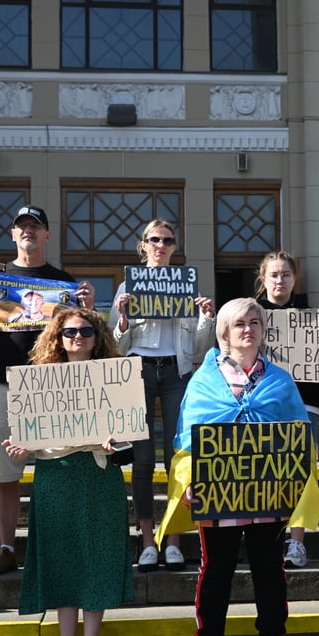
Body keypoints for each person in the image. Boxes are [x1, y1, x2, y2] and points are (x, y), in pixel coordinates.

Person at [170, 298, 314, 636]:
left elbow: (299, 434)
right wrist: (188, 482)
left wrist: (296, 483)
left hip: (270, 495)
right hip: (218, 495)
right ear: (224, 333)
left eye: (255, 322)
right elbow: (187, 440)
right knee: (216, 570)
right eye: (239, 324)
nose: (248, 329)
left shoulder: (281, 381)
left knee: (269, 570)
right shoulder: (202, 382)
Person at [0, 205, 95, 576]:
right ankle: (6, 547)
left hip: (50, 382)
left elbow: (83, 332)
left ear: (47, 235)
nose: (28, 232)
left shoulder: (61, 280)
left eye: (36, 226)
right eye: (22, 226)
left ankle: (56, 545)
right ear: (12, 234)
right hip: (3, 380)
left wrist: (87, 306)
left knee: (58, 463)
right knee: (6, 471)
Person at [3, 307, 135, 636]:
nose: (78, 337)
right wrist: (23, 446)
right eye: (70, 332)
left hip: (98, 475)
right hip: (54, 476)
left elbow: (130, 444)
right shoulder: (37, 381)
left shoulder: (116, 376)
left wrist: (118, 443)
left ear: (99, 336)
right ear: (57, 338)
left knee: (96, 559)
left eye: (87, 331)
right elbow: (27, 437)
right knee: (62, 560)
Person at [108, 219, 215, 572]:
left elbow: (199, 349)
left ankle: (173, 539)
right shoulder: (128, 285)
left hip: (176, 371)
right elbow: (117, 346)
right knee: (141, 461)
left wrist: (205, 318)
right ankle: (147, 541)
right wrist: (122, 318)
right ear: (143, 245)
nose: (161, 245)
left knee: (176, 457)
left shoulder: (187, 287)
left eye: (167, 240)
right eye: (154, 239)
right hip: (137, 369)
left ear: (174, 246)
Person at [255, 250, 319, 568]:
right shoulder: (250, 316)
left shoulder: (312, 316)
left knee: (302, 473)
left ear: (295, 279)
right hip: (263, 404)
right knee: (265, 471)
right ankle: (267, 538)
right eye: (274, 274)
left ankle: (296, 541)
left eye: (286, 274)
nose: (280, 280)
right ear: (263, 279)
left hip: (304, 403)